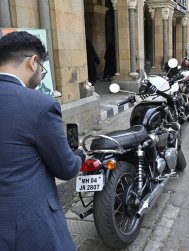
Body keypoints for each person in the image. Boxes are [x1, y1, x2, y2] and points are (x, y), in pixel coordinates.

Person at [0, 31, 85, 250]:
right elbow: (66, 168)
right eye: (43, 69)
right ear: (33, 62)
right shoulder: (39, 104)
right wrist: (79, 155)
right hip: (29, 228)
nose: (41, 74)